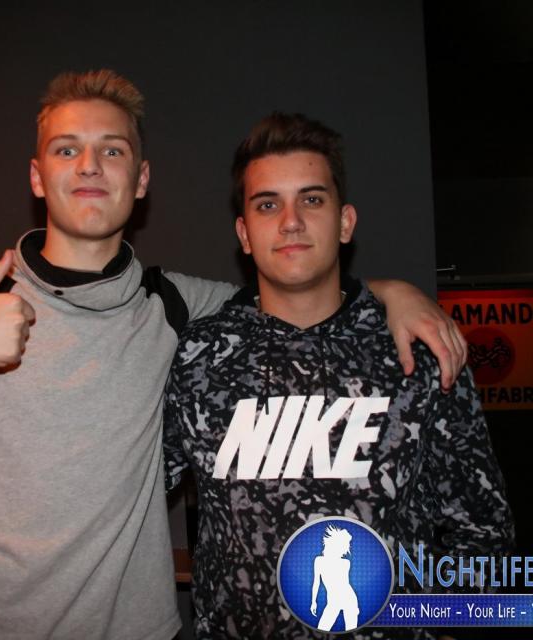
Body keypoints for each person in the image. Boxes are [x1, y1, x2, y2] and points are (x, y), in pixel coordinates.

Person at [0, 72, 465, 639]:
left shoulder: (176, 308)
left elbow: (296, 284)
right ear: (36, 175)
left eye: (112, 150)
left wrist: (392, 293)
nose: (90, 166)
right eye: (67, 149)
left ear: (142, 179)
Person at [158, 113, 514, 638]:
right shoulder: (198, 358)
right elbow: (126, 501)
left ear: (345, 223)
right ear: (244, 234)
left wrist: (421, 625)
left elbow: (485, 540)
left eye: (312, 199)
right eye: (267, 204)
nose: (291, 221)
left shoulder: (420, 351)